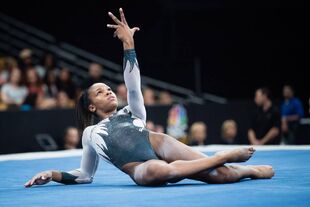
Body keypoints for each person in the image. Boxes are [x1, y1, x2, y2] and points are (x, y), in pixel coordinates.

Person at [25, 9, 274, 188]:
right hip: (140, 168)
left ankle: (246, 169)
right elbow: (84, 175)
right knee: (157, 171)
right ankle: (223, 156)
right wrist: (53, 174)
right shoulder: (90, 134)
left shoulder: (132, 113)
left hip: (159, 143)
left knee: (220, 176)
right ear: (91, 106)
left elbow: (133, 87)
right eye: (100, 92)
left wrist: (128, 44)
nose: (109, 91)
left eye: (109, 88)